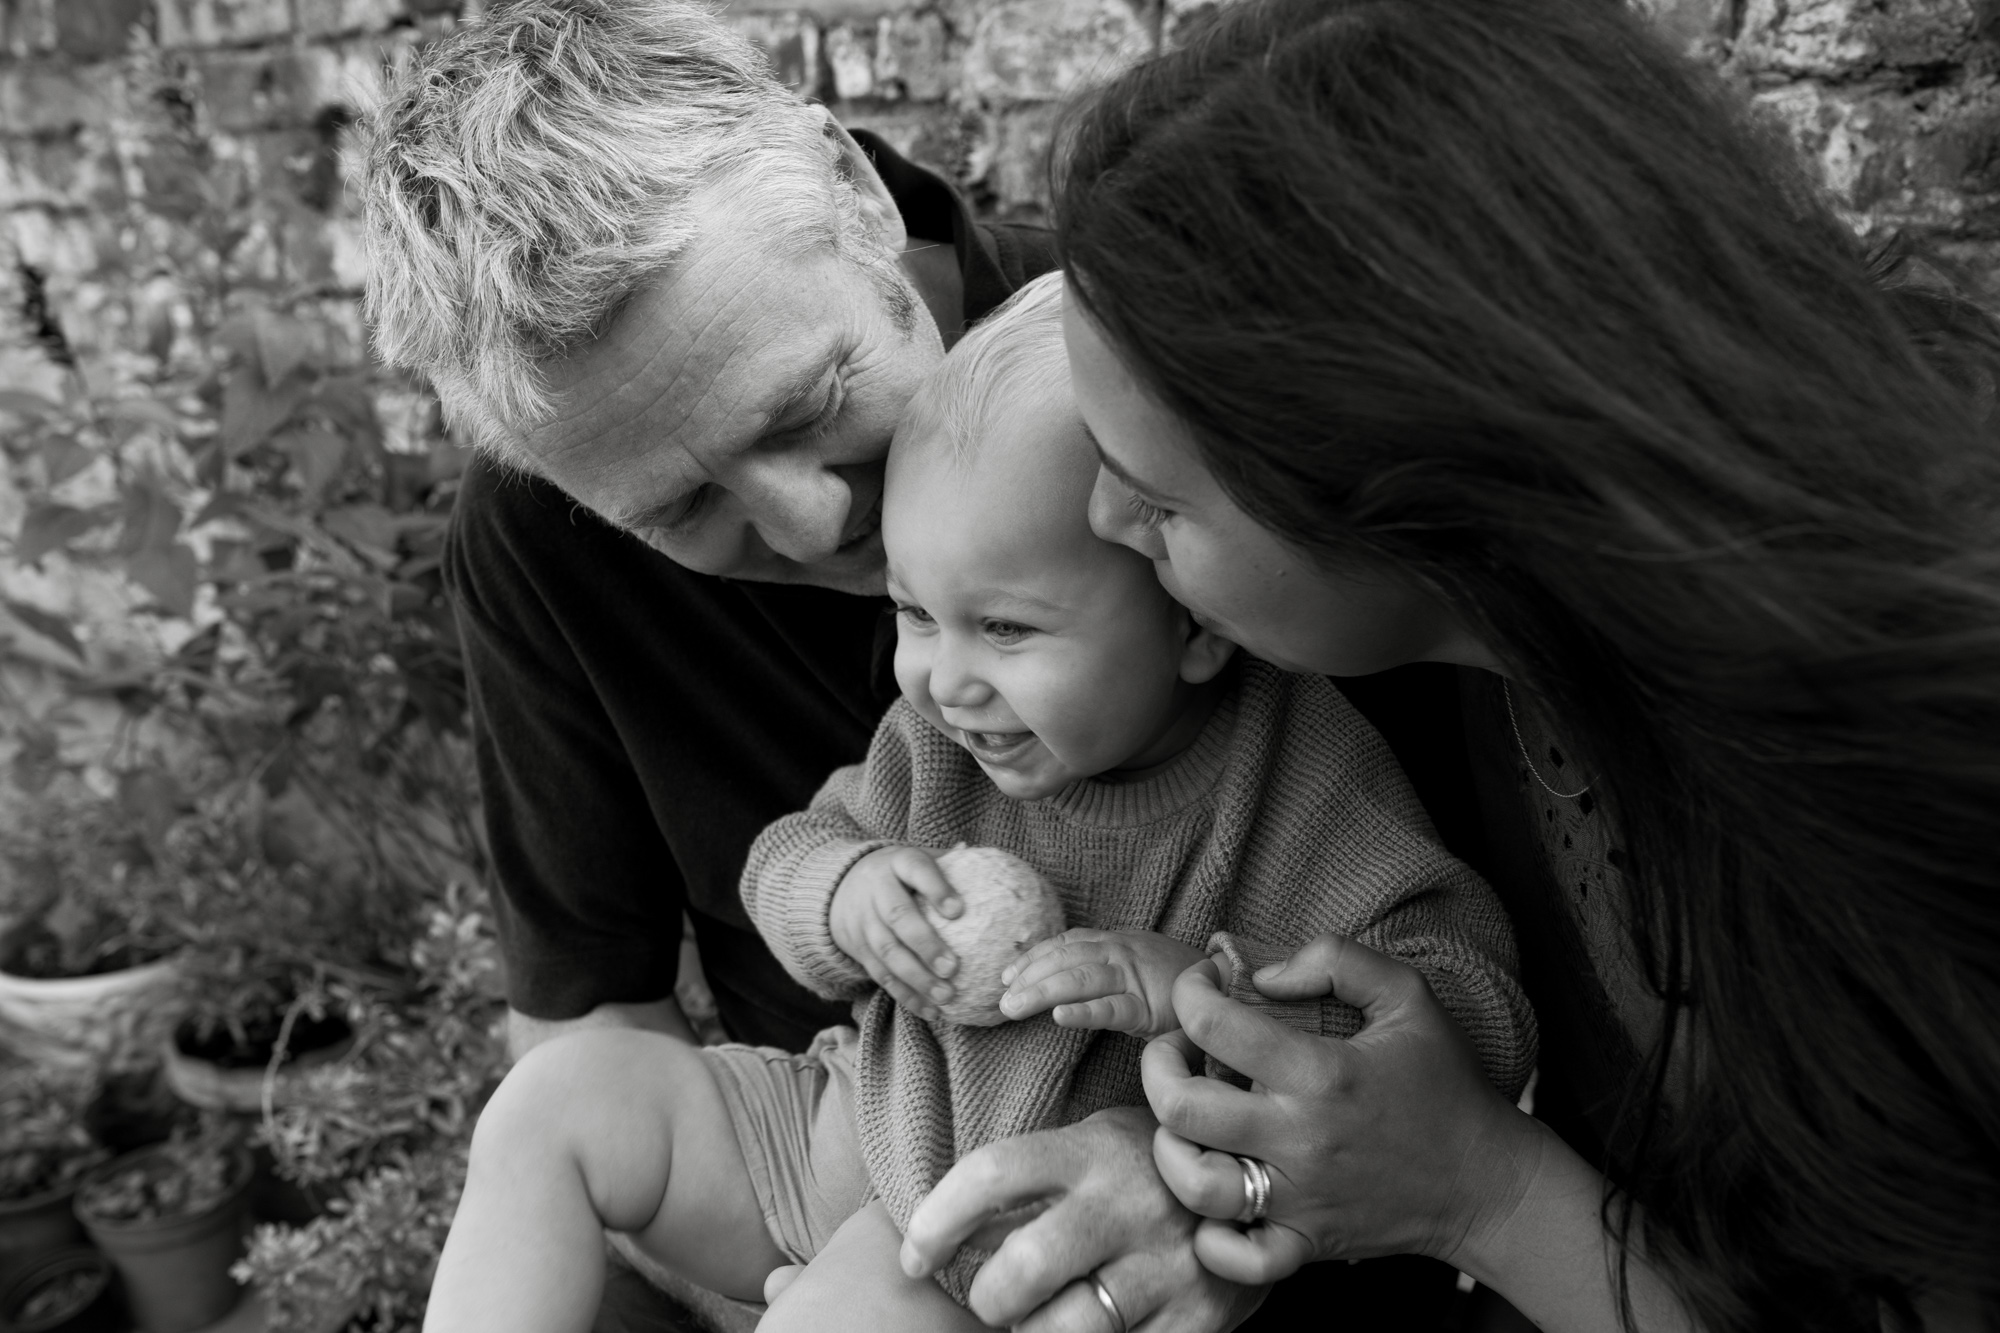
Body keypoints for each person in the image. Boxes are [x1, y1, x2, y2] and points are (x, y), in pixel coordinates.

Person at [896, 0, 2000, 1330]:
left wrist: (1473, 1186)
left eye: (1159, 502)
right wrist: (1205, 1145)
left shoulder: (1892, 806)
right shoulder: (1436, 657)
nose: (1107, 531)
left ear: (1404, 472)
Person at [420, 273, 1537, 1332]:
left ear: (1191, 614)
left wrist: (1193, 993)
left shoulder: (1297, 778)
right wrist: (845, 890)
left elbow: (1462, 1006)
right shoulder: (941, 743)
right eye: (912, 613)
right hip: (841, 1122)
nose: (940, 680)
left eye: (1004, 627)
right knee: (557, 1100)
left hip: (998, 1224)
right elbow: (788, 852)